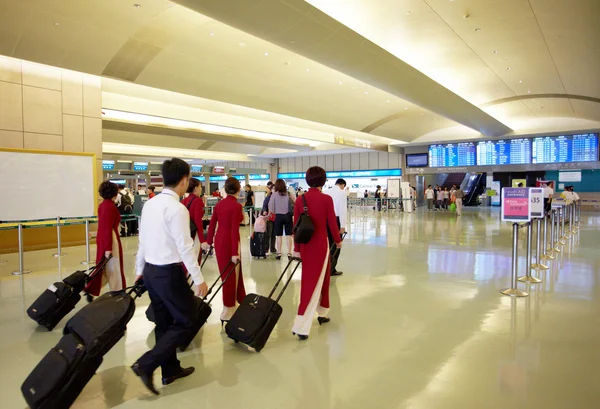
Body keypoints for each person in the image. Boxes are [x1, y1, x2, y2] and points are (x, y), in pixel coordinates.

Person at [132, 158, 209, 396]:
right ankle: (147, 363)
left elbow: (142, 241)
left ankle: (170, 369)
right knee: (186, 320)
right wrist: (199, 278)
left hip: (151, 272)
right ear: (184, 180)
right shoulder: (178, 209)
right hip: (169, 273)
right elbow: (185, 247)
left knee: (164, 323)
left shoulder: (150, 205)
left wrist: (138, 270)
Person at [292, 166, 342, 340]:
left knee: (315, 278)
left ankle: (323, 312)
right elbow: (332, 223)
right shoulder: (326, 199)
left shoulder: (300, 200)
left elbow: (295, 226)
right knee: (317, 281)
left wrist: (296, 248)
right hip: (321, 245)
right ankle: (301, 325)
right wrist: (338, 240)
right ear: (323, 180)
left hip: (305, 244)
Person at [204, 177, 246, 323]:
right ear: (238, 189)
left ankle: (233, 305)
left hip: (219, 240)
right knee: (231, 276)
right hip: (231, 242)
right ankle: (228, 311)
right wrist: (235, 252)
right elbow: (234, 230)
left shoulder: (219, 204)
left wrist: (209, 242)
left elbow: (212, 223)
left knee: (226, 274)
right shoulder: (236, 206)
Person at [85, 181, 126, 301]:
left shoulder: (103, 205)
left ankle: (91, 288)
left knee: (104, 267)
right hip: (110, 239)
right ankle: (117, 291)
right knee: (114, 266)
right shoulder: (110, 206)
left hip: (104, 238)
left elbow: (103, 227)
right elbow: (108, 228)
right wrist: (108, 248)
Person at [325, 178, 347, 277]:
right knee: (337, 244)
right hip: (336, 220)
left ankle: (325, 268)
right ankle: (331, 269)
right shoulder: (342, 193)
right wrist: (343, 225)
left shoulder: (326, 191)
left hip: (325, 220)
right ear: (342, 185)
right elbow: (343, 210)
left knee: (328, 244)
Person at [181, 178, 207, 262]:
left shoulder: (183, 201)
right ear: (195, 188)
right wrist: (202, 240)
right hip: (194, 234)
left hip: (185, 233)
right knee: (195, 260)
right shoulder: (197, 201)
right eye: (200, 187)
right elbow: (198, 222)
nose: (201, 189)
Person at [268, 179, 294, 260]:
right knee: (288, 235)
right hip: (288, 216)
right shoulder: (289, 194)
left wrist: (274, 211)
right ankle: (289, 253)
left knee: (279, 236)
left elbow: (271, 207)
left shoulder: (274, 195)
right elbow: (294, 203)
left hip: (278, 216)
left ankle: (279, 253)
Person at [261, 181, 277, 255]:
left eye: (275, 189)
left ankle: (273, 248)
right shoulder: (268, 197)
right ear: (271, 190)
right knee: (268, 234)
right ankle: (266, 249)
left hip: (276, 218)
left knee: (274, 234)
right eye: (273, 189)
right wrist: (264, 211)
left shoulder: (278, 197)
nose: (274, 190)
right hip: (269, 218)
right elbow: (264, 206)